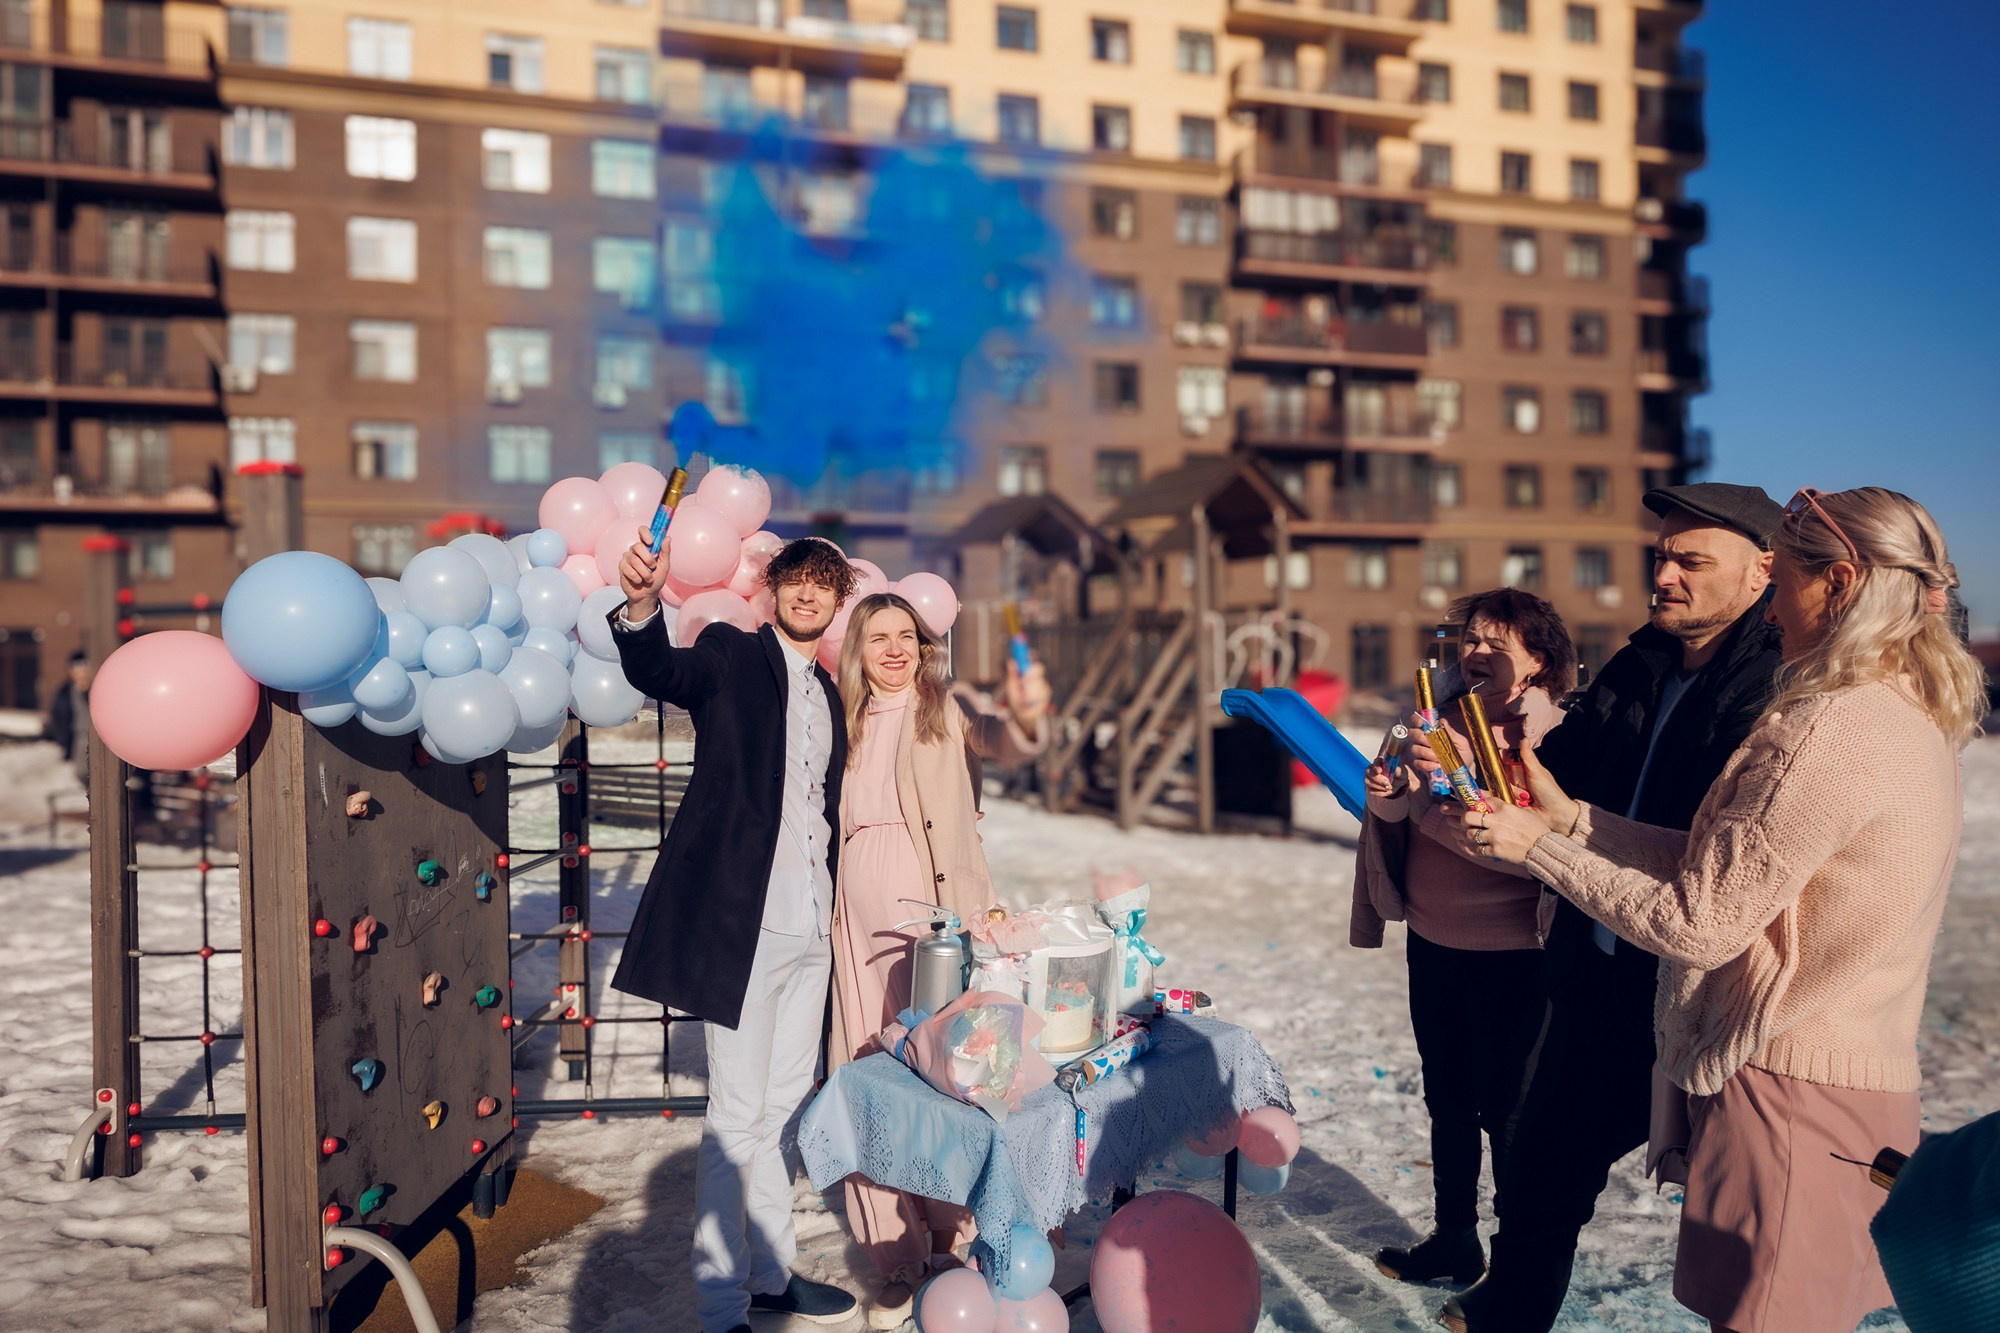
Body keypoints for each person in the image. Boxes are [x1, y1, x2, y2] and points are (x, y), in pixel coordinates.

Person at [1455, 486, 1983, 1333]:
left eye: (1785, 581)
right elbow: (1731, 862)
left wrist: (1538, 850)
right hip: (1849, 1083)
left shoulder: (1828, 725)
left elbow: (1703, 919)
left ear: (1838, 582)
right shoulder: (1901, 710)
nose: (1774, 604)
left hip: (1791, 1090)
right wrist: (1574, 819)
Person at [1436, 482, 1788, 1333]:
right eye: (1660, 556)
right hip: (1596, 966)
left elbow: (1714, 856)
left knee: (1735, 1221)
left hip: (1709, 990)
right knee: (1545, 1165)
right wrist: (1496, 764)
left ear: (1760, 573)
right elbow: (1567, 771)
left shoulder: (1777, 692)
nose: (1663, 575)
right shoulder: (1642, 661)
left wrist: (1555, 825)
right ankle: (1512, 1307)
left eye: (1690, 560)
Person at [608, 530, 861, 1333]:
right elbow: (660, 670)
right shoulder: (729, 655)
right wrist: (645, 607)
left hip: (811, 928)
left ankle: (772, 1275)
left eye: (825, 584)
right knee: (736, 1113)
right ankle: (721, 1305)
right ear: (774, 590)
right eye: (797, 581)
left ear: (837, 600)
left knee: (787, 1108)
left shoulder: (828, 691)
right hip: (741, 925)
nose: (809, 595)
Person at [826, 591, 1050, 1328]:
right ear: (857, 648)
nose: (894, 649)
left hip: (932, 919)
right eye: (879, 637)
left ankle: (954, 1231)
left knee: (941, 1074)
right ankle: (893, 1247)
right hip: (854, 924)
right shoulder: (839, 721)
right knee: (866, 1071)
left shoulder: (943, 711)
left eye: (907, 637)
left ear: (924, 647)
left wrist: (1026, 713)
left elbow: (1013, 742)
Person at [1353, 590, 1575, 1287]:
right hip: (1435, 939)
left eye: (1496, 639)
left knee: (1508, 1110)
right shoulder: (1433, 717)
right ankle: (1455, 1239)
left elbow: (1519, 841)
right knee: (1446, 1098)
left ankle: (1516, 1264)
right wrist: (1390, 789)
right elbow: (1396, 810)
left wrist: (1437, 798)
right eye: (1469, 637)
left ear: (1539, 658)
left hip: (1517, 950)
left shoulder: (1558, 732)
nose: (1475, 650)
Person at [45, 651, 92, 785]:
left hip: (96, 736)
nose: (80, 671)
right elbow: (58, 716)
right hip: (79, 736)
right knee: (81, 772)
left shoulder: (95, 687)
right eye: (76, 667)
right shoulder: (65, 691)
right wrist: (62, 741)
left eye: (83, 666)